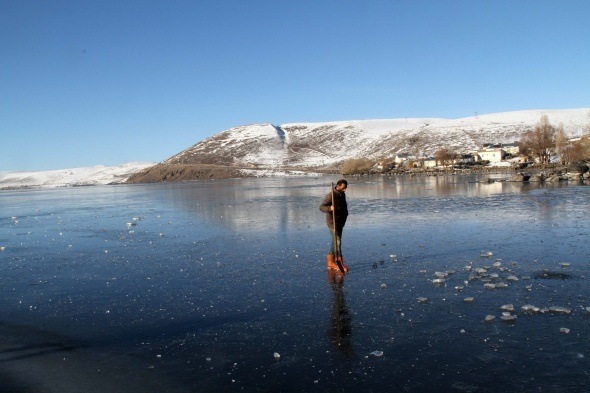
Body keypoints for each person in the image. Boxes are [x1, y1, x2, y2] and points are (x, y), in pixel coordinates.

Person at [319, 179, 349, 272]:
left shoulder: (342, 194)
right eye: (343, 188)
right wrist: (329, 208)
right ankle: (339, 265)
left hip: (340, 222)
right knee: (338, 243)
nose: (344, 190)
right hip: (333, 223)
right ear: (338, 186)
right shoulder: (331, 195)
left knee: (335, 242)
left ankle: (330, 263)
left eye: (345, 188)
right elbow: (321, 207)